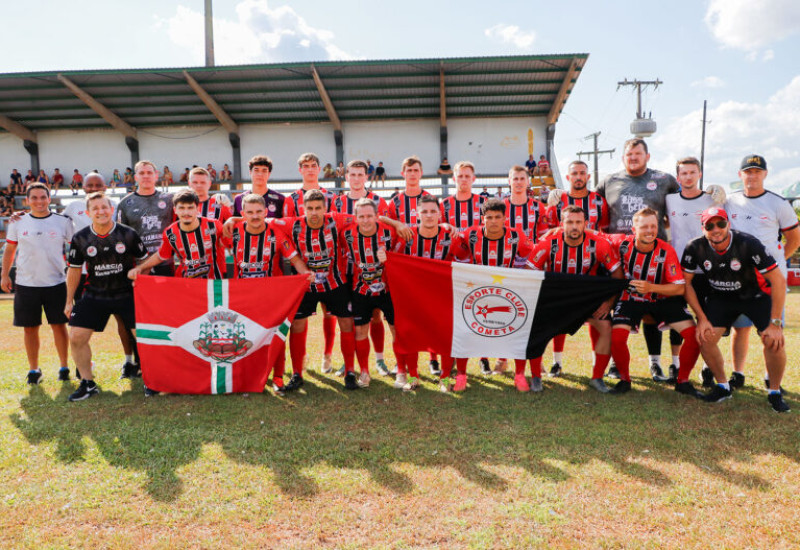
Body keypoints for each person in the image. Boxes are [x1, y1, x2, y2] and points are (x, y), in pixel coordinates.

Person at [682, 206, 790, 412]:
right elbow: (685, 284)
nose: (716, 229)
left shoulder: (748, 243)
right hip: (721, 298)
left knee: (773, 340)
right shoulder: (694, 247)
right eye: (709, 225)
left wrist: (775, 322)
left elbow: (777, 280)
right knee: (705, 337)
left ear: (728, 224)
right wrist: (701, 318)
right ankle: (723, 387)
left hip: (755, 297)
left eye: (721, 223)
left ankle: (774, 392)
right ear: (703, 228)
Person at [596, 138, 680, 381]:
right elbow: (590, 205)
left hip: (654, 254)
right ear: (623, 157)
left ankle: (655, 362)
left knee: (653, 307)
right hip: (619, 256)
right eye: (629, 154)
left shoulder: (664, 180)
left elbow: (685, 201)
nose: (633, 158)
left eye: (638, 154)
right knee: (617, 307)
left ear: (647, 156)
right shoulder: (609, 181)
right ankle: (615, 362)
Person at [527, 205, 623, 393]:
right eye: (569, 222)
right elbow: (529, 272)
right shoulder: (549, 243)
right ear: (561, 224)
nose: (574, 226)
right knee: (537, 329)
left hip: (587, 298)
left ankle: (597, 378)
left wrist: (609, 302)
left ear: (585, 224)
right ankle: (536, 377)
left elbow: (617, 276)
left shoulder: (599, 244)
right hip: (556, 297)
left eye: (578, 222)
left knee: (606, 328)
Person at [724, 154, 800, 391]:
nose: (752, 176)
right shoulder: (730, 201)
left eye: (757, 171)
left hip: (768, 280)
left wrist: (776, 263)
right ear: (740, 175)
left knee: (771, 332)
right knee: (740, 328)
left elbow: (794, 239)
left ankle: (771, 378)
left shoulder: (778, 203)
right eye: (748, 171)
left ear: (765, 174)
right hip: (739, 278)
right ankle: (738, 373)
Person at [607, 208, 701, 396]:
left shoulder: (666, 250)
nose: (650, 230)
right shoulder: (622, 243)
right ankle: (624, 380)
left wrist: (651, 288)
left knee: (693, 335)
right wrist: (557, 230)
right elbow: (595, 235)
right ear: (634, 229)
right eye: (644, 227)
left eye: (653, 226)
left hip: (662, 298)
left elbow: (679, 287)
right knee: (616, 337)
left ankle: (682, 381)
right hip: (631, 298)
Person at [65, 192, 149, 401]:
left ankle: (152, 380)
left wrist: (139, 280)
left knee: (145, 337)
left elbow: (144, 264)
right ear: (88, 213)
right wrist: (68, 301)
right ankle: (87, 383)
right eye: (95, 208)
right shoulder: (80, 238)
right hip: (95, 293)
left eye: (104, 207)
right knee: (76, 337)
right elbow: (74, 270)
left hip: (127, 293)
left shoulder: (128, 234)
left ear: (112, 209)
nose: (101, 211)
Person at [272, 190, 357, 391]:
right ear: (303, 208)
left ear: (325, 209)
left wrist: (396, 224)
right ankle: (297, 374)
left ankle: (350, 372)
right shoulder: (294, 224)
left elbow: (365, 217)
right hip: (305, 285)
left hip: (335, 283)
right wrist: (296, 260)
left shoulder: (336, 219)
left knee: (346, 322)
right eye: (309, 208)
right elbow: (270, 224)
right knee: (298, 325)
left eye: (318, 208)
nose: (314, 212)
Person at [229, 193, 312, 394]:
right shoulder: (233, 232)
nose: (255, 216)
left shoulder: (275, 232)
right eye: (250, 212)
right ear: (242, 214)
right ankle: (248, 377)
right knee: (244, 335)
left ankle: (277, 377)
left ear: (266, 212)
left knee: (275, 335)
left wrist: (305, 274)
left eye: (259, 212)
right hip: (244, 295)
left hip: (271, 295)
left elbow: (293, 257)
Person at [454, 198, 533, 391]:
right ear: (483, 219)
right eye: (489, 217)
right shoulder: (470, 234)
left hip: (507, 293)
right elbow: (457, 255)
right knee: (465, 332)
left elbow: (530, 257)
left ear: (505, 218)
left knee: (515, 332)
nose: (494, 221)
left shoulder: (516, 236)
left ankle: (520, 374)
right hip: (476, 293)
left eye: (498, 217)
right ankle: (461, 375)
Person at [393, 194, 468, 391]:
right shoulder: (407, 236)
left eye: (433, 211)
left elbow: (466, 257)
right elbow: (395, 260)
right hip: (413, 295)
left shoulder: (450, 238)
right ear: (417, 214)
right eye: (424, 212)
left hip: (442, 295)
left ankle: (444, 379)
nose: (428, 216)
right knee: (410, 335)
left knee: (445, 335)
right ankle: (413, 377)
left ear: (439, 214)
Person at [1, 183, 73, 384]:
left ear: (49, 199)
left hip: (57, 282)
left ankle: (64, 366)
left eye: (43, 197)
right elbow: (9, 251)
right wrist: (4, 275)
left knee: (59, 326)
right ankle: (34, 370)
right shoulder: (17, 222)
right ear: (27, 200)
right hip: (26, 284)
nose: (39, 201)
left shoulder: (63, 222)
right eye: (34, 197)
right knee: (30, 328)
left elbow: (76, 248)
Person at [543, 160, 610, 376]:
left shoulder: (599, 201)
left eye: (582, 173)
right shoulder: (559, 199)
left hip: (591, 266)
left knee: (595, 316)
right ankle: (557, 361)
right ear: (568, 176)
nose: (579, 176)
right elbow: (549, 226)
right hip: (561, 263)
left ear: (588, 176)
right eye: (575, 173)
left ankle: (595, 362)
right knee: (557, 316)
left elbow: (605, 229)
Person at [665, 157, 725, 384]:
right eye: (684, 173)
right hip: (679, 269)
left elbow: (724, 224)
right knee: (678, 319)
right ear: (678, 177)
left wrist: (722, 195)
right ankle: (675, 364)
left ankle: (706, 368)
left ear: (700, 173)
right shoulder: (670, 199)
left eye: (692, 172)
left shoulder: (712, 198)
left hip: (708, 270)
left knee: (709, 320)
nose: (688, 177)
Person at [331, 160, 391, 376]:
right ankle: (348, 363)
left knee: (375, 315)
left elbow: (387, 226)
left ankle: (380, 359)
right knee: (346, 318)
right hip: (345, 269)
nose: (356, 178)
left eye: (360, 174)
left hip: (374, 269)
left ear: (367, 177)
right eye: (352, 174)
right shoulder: (337, 202)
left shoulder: (379, 201)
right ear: (346, 176)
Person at [340, 198, 402, 390]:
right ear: (355, 218)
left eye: (369, 216)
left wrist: (389, 259)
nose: (366, 220)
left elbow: (402, 257)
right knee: (360, 331)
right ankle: (365, 371)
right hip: (360, 290)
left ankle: (401, 370)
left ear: (377, 216)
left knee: (395, 328)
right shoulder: (346, 234)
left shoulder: (390, 232)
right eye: (361, 216)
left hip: (387, 289)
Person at [129, 189, 227, 280]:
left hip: (214, 283)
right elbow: (161, 255)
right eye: (182, 208)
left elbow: (231, 241)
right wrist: (140, 268)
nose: (186, 212)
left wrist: (233, 219)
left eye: (190, 208)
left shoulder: (214, 225)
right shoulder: (170, 233)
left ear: (197, 209)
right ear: (175, 210)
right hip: (186, 285)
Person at [116, 161, 175, 276]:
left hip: (166, 262)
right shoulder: (124, 204)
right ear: (135, 177)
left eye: (149, 172)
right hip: (138, 266)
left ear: (156, 175)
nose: (146, 176)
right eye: (142, 173)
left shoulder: (169, 200)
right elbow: (120, 237)